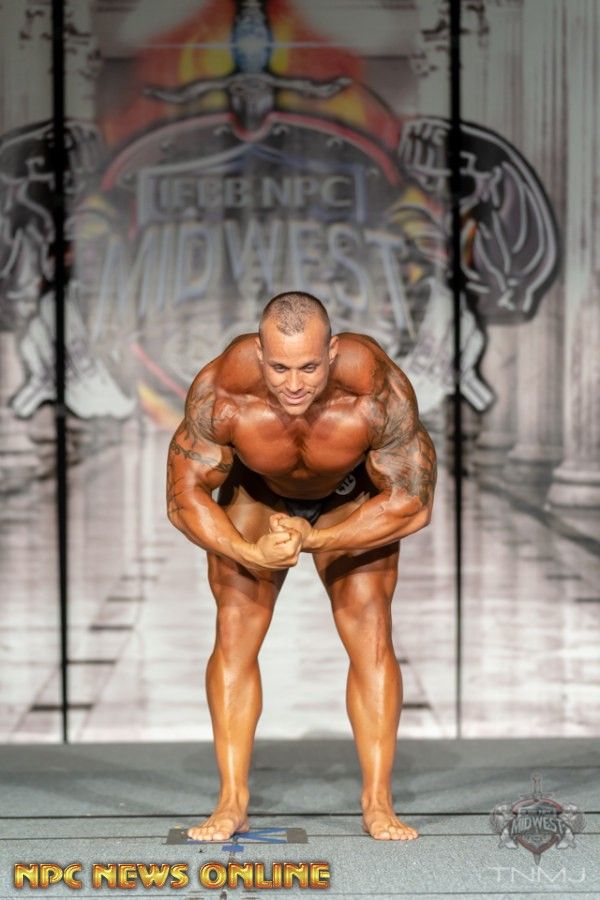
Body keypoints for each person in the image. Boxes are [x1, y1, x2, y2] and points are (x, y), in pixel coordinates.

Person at [167, 291, 437, 842]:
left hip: (349, 495)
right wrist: (248, 552)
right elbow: (182, 496)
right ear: (260, 354)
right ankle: (232, 801)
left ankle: (378, 801)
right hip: (257, 494)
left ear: (332, 352)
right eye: (280, 368)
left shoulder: (374, 388)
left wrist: (318, 538)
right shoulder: (223, 390)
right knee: (234, 627)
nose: (294, 384)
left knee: (370, 627)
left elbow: (412, 501)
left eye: (310, 367)